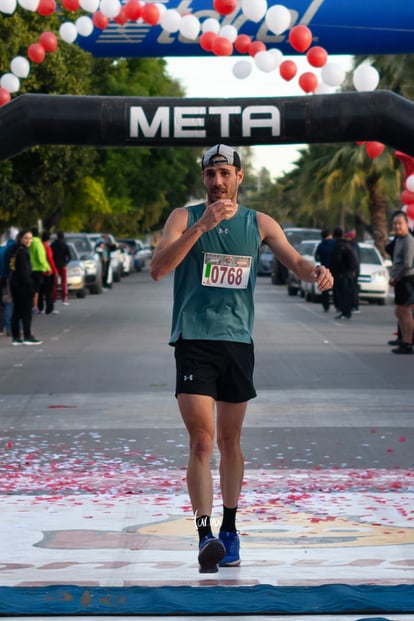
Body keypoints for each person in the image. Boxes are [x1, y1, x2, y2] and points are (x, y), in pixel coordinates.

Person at [149, 144, 333, 573]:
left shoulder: (259, 223)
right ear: (203, 179)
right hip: (194, 339)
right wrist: (200, 228)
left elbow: (294, 261)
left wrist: (316, 273)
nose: (217, 181)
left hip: (237, 344)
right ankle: (203, 535)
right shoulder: (184, 217)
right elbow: (158, 268)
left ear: (239, 177)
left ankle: (229, 529)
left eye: (224, 173)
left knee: (231, 442)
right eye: (210, 174)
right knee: (202, 439)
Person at [9, 228, 42, 345]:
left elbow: (12, 268)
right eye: (26, 238)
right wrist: (31, 288)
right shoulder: (22, 252)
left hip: (14, 284)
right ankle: (28, 336)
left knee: (17, 312)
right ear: (20, 239)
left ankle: (16, 337)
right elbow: (24, 272)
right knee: (26, 312)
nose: (29, 241)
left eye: (30, 238)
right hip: (23, 286)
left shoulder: (14, 250)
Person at [388, 210, 414, 354]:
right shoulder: (398, 240)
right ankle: (404, 340)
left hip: (407, 280)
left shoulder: (409, 240)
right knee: (399, 311)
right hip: (400, 280)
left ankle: (408, 343)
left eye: (400, 223)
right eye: (395, 223)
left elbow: (407, 264)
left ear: (406, 224)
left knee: (405, 312)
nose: (397, 226)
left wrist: (395, 278)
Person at [330, 227, 358, 320]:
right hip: (348, 273)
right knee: (347, 293)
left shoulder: (339, 245)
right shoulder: (348, 244)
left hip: (342, 274)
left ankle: (345, 312)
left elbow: (336, 260)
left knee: (343, 294)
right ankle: (346, 311)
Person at [29, 227, 51, 314]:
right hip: (37, 269)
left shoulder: (28, 242)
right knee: (36, 290)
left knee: (30, 288)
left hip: (28, 268)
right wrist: (47, 268)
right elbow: (41, 257)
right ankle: (35, 307)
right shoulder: (38, 243)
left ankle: (31, 306)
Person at [315, 228, 335, 312]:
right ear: (330, 235)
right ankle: (338, 306)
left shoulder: (321, 245)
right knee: (337, 288)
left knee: (325, 288)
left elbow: (316, 256)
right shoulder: (334, 243)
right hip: (335, 269)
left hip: (324, 269)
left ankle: (326, 306)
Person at [39, 231, 58, 315]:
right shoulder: (47, 247)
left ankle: (40, 307)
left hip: (39, 271)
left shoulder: (39, 246)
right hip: (48, 271)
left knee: (40, 291)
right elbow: (50, 260)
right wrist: (54, 270)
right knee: (49, 291)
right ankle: (49, 308)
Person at [51, 231, 71, 304]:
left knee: (54, 283)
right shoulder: (65, 245)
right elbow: (69, 257)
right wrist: (65, 263)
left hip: (55, 266)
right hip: (63, 266)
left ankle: (54, 298)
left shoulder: (53, 245)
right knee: (64, 282)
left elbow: (50, 256)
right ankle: (64, 298)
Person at [344, 230, 361, 313]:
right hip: (353, 270)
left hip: (353, 271)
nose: (346, 238)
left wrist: (353, 270)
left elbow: (355, 259)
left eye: (347, 237)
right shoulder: (352, 245)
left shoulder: (353, 246)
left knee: (353, 289)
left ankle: (354, 305)